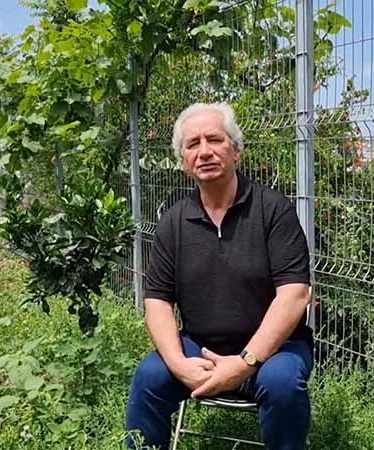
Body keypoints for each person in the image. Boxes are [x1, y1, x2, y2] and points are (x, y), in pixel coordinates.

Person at [125, 102, 313, 450]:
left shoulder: (273, 210)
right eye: (193, 144)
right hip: (200, 346)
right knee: (149, 377)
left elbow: (295, 294)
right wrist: (178, 363)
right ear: (184, 161)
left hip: (275, 351)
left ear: (236, 150)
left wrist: (245, 362)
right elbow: (157, 301)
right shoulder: (173, 223)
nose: (205, 151)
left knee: (283, 384)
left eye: (214, 139)